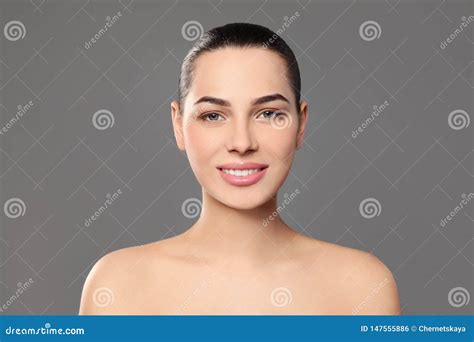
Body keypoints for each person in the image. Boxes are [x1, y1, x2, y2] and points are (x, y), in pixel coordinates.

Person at [79, 23, 401, 315]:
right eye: (213, 116)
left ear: (301, 123)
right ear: (178, 124)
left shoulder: (361, 286)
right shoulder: (118, 286)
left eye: (268, 113)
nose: (242, 142)